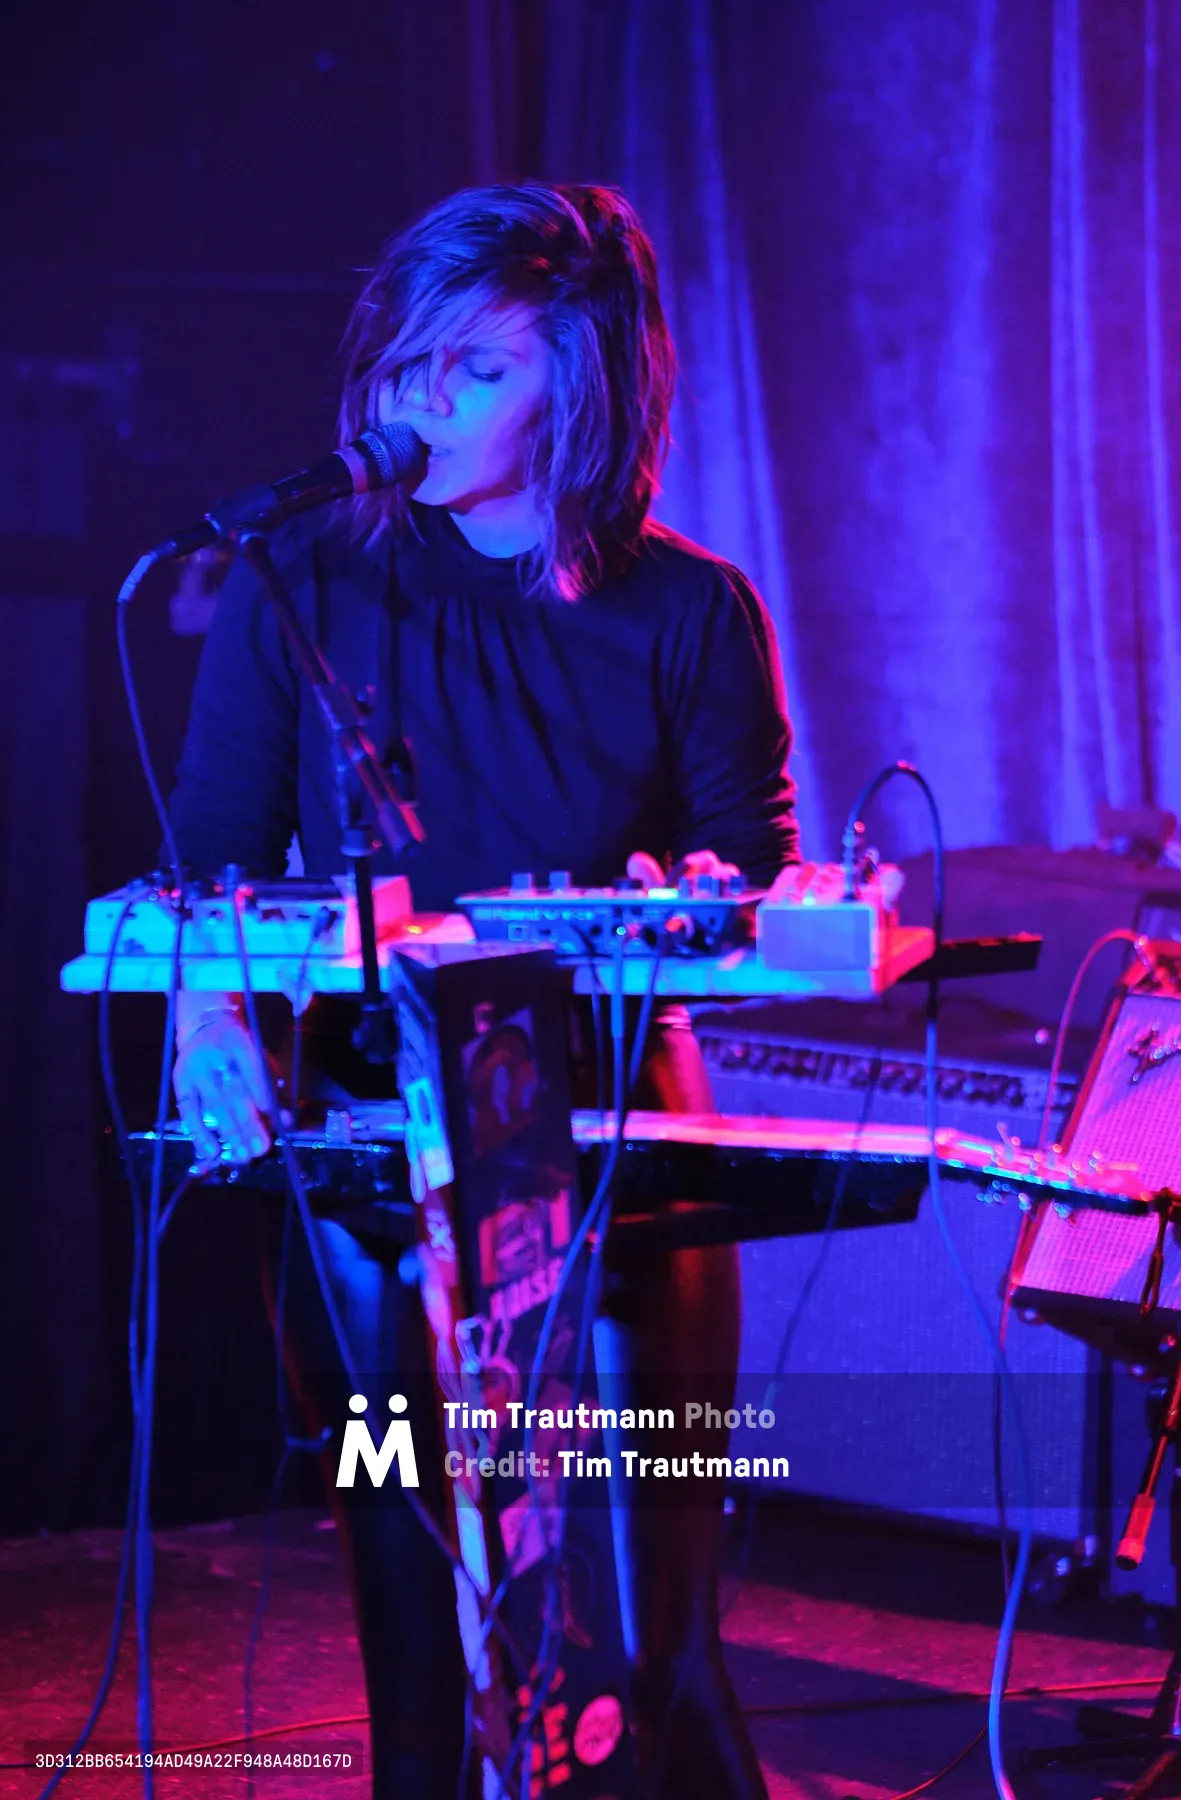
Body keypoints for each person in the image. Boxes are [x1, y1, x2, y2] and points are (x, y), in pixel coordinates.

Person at [168, 181, 799, 1800]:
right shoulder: (300, 572)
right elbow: (215, 862)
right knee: (419, 1584)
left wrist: (704, 904)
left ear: (586, 384)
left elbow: (751, 862)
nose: (421, 403)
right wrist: (210, 1020)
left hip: (621, 1114)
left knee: (662, 1622)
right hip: (381, 1127)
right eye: (405, 366)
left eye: (476, 370)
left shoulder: (694, 611)